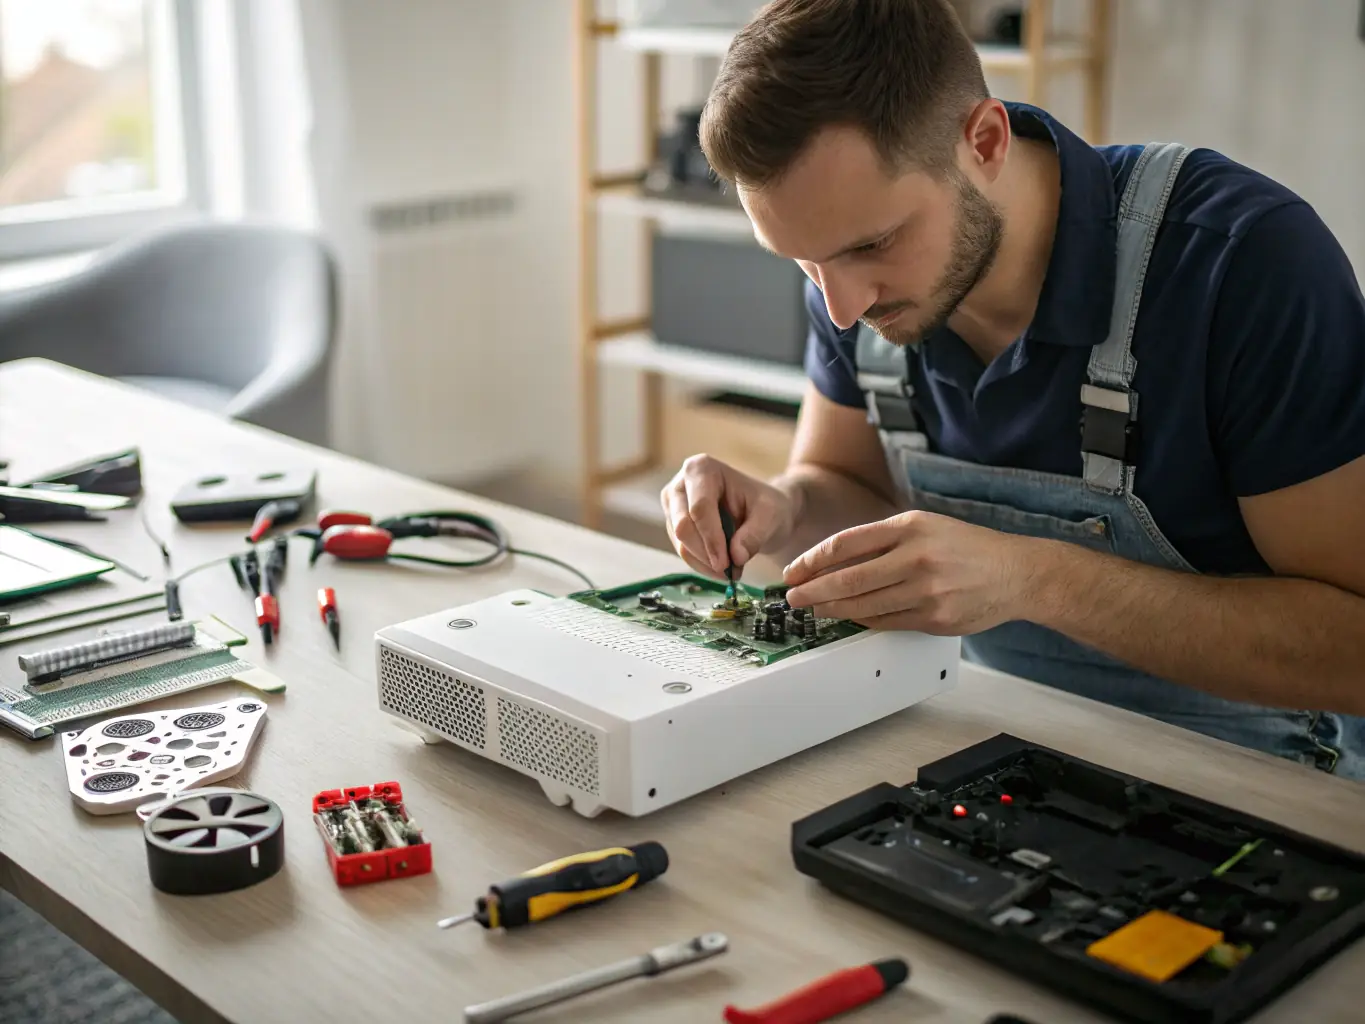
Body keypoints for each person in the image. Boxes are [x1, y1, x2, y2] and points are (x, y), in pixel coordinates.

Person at [659, 0, 1365, 779]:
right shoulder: (848, 279)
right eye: (800, 262)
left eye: (872, 243)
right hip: (988, 737)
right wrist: (784, 508)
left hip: (1259, 779)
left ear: (984, 141)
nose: (841, 307)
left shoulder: (1242, 262)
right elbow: (845, 482)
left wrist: (1031, 578)